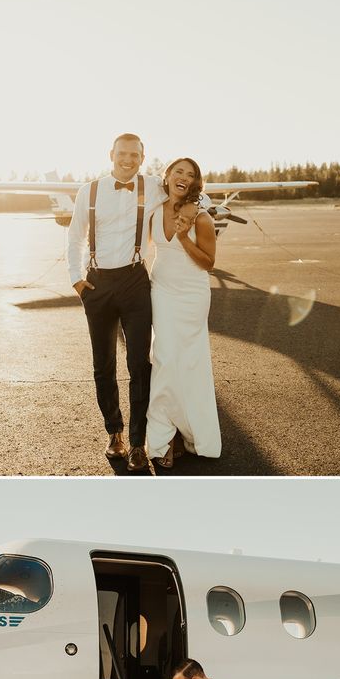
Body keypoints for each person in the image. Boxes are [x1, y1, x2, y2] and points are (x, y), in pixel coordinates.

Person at [67, 133, 167, 472]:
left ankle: (138, 442)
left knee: (140, 363)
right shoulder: (89, 191)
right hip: (97, 283)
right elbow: (75, 235)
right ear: (111, 154)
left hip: (136, 281)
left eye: (135, 155)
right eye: (122, 153)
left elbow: (193, 192)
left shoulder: (155, 186)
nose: (128, 160)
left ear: (143, 157)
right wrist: (76, 280)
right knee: (103, 365)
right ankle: (115, 432)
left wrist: (201, 215)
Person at [146, 158, 221, 469]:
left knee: (189, 362)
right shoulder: (153, 207)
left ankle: (191, 431)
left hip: (191, 294)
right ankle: (163, 436)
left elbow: (208, 263)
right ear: (167, 176)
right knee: (164, 357)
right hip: (160, 288)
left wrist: (182, 238)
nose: (184, 178)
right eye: (178, 171)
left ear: (195, 183)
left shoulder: (201, 218)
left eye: (191, 175)